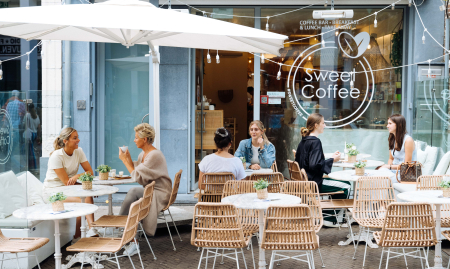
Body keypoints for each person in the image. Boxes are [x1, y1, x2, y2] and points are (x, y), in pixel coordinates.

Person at [118, 123, 172, 255]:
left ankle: (120, 225)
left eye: (136, 137)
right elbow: (139, 174)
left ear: (145, 139)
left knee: (133, 192)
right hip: (151, 190)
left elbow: (136, 175)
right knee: (135, 202)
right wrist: (129, 159)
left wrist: (125, 161)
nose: (134, 140)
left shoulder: (154, 155)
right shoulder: (144, 154)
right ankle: (127, 234)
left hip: (160, 193)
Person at [295, 113, 351, 227]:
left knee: (345, 183)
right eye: (323, 123)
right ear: (316, 125)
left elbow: (309, 161)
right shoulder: (315, 141)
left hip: (305, 182)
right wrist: (332, 160)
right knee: (347, 186)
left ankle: (328, 215)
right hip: (314, 183)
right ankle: (330, 219)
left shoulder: (304, 140)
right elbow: (314, 165)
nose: (324, 125)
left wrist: (330, 158)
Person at [43, 127, 95, 240]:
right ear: (65, 141)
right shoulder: (56, 156)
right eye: (74, 138)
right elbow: (67, 182)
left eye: (78, 137)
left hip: (67, 189)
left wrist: (77, 176)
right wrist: (81, 185)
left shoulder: (78, 151)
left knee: (87, 196)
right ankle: (92, 231)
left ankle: (79, 235)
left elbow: (90, 172)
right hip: (53, 192)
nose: (78, 140)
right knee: (85, 199)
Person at [377, 114, 417, 184]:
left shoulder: (408, 140)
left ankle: (383, 194)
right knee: (376, 173)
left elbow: (407, 166)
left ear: (398, 125)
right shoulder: (392, 139)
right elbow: (391, 159)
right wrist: (388, 168)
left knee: (379, 177)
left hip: (404, 174)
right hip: (393, 171)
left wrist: (388, 167)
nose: (387, 126)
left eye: (390, 123)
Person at [23, 103, 40, 168]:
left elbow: (24, 124)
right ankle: (32, 165)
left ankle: (33, 166)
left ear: (27, 108)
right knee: (31, 150)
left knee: (29, 151)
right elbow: (39, 127)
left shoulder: (27, 115)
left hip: (29, 134)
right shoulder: (36, 115)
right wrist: (38, 136)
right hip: (35, 134)